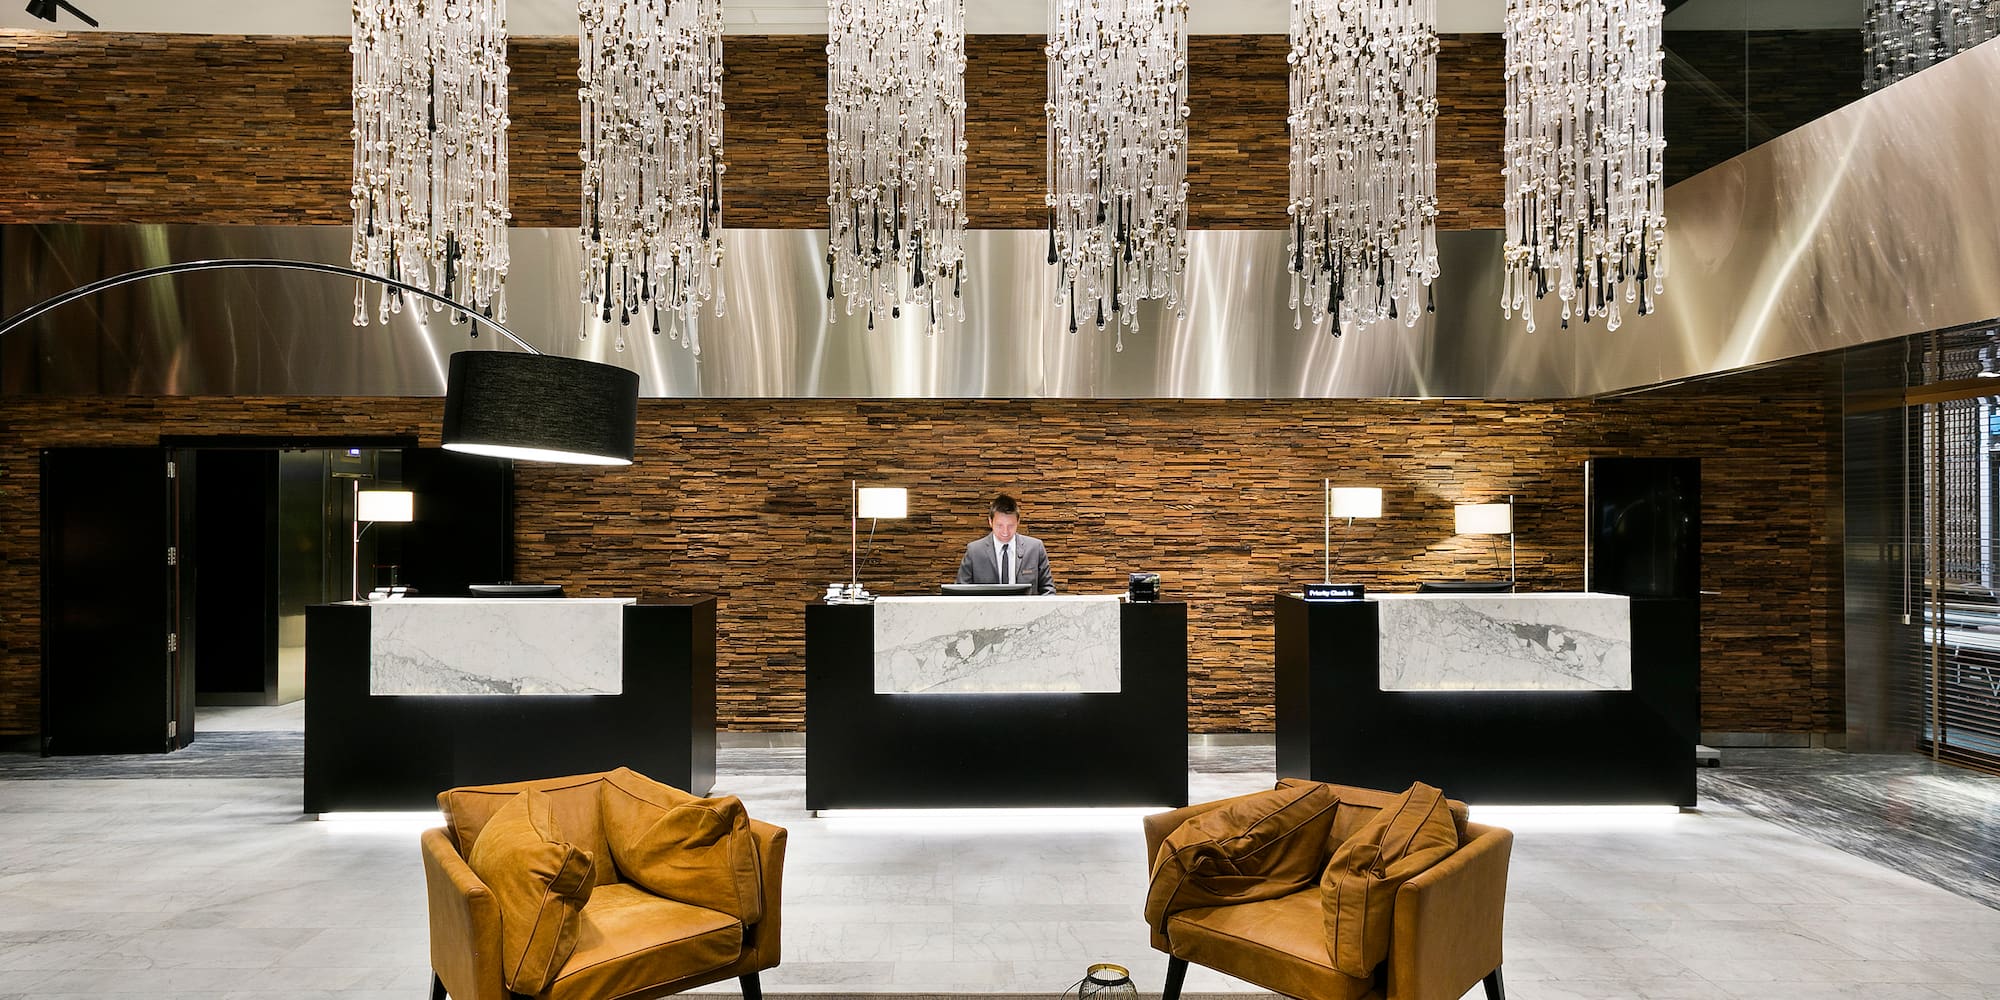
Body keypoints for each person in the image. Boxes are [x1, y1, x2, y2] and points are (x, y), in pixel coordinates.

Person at [956, 493, 1056, 594]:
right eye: (1000, 525)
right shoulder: (974, 551)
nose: (1005, 532)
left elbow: (1048, 590)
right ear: (990, 521)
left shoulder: (1035, 548)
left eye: (1011, 526)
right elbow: (961, 593)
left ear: (1018, 522)